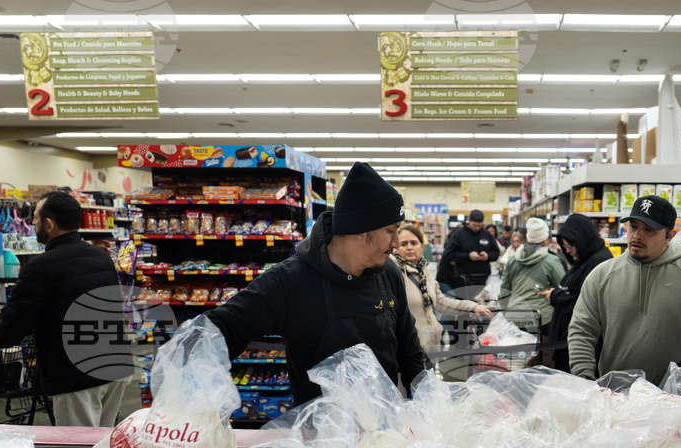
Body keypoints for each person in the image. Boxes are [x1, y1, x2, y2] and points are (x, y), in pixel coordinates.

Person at [206, 162, 429, 404]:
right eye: (390, 231)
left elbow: (409, 347)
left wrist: (423, 400)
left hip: (383, 431)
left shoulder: (388, 273)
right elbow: (225, 327)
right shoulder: (290, 281)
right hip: (319, 435)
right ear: (359, 229)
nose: (397, 242)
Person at [569, 195, 681, 389]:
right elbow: (582, 329)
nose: (638, 235)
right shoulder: (602, 275)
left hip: (679, 398)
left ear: (669, 236)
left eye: (649, 230)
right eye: (634, 226)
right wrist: (583, 374)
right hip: (618, 396)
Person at [0, 191, 133, 427]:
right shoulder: (101, 256)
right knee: (103, 446)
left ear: (49, 223)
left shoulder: (39, 268)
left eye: (35, 218)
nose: (32, 223)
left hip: (76, 376)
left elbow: (16, 322)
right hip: (115, 365)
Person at [391, 224, 492, 351]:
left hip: (430, 347)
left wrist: (472, 306)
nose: (409, 247)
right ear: (395, 247)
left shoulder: (423, 270)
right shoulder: (392, 272)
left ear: (421, 246)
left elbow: (440, 302)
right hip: (407, 351)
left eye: (414, 243)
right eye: (404, 244)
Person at [537, 213, 614, 372]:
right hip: (566, 345)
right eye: (565, 247)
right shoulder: (584, 260)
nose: (568, 251)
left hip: (581, 349)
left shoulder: (599, 262)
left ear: (582, 239)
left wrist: (555, 296)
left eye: (570, 246)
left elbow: (583, 303)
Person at [501, 219, 566, 366]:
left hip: (515, 317)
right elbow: (563, 289)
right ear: (545, 240)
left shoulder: (513, 260)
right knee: (542, 358)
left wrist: (505, 313)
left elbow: (504, 291)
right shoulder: (551, 261)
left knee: (517, 361)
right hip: (542, 319)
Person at [443, 209, 500, 299]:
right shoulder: (458, 234)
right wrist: (468, 256)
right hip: (463, 279)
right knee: (463, 309)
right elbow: (449, 254)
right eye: (474, 225)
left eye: (479, 226)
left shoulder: (487, 234)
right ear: (469, 220)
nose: (477, 228)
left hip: (484, 279)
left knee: (483, 308)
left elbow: (496, 253)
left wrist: (487, 256)